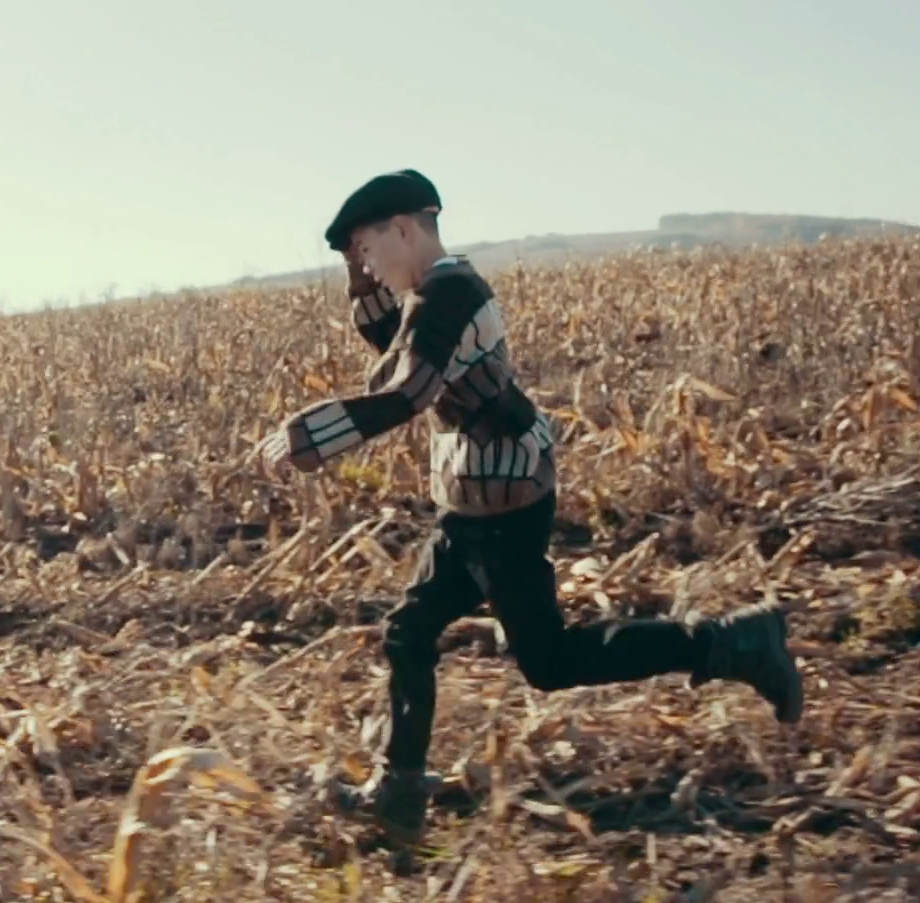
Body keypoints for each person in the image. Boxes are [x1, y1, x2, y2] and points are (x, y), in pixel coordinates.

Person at [257, 168, 803, 843]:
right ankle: (400, 791)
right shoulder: (433, 295)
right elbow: (393, 347)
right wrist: (355, 268)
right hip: (473, 505)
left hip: (505, 509)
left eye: (368, 248)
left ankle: (733, 643)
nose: (365, 265)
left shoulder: (449, 297)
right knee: (409, 634)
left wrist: (306, 438)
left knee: (549, 661)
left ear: (403, 229)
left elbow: (406, 391)